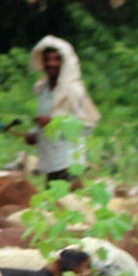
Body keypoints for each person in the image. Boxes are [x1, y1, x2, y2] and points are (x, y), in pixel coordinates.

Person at [24, 35, 99, 183]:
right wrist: (35, 135)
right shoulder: (43, 88)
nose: (51, 63)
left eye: (56, 59)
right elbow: (46, 119)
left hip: (69, 163)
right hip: (51, 162)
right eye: (47, 59)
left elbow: (88, 125)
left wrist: (54, 123)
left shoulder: (74, 90)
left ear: (64, 62)